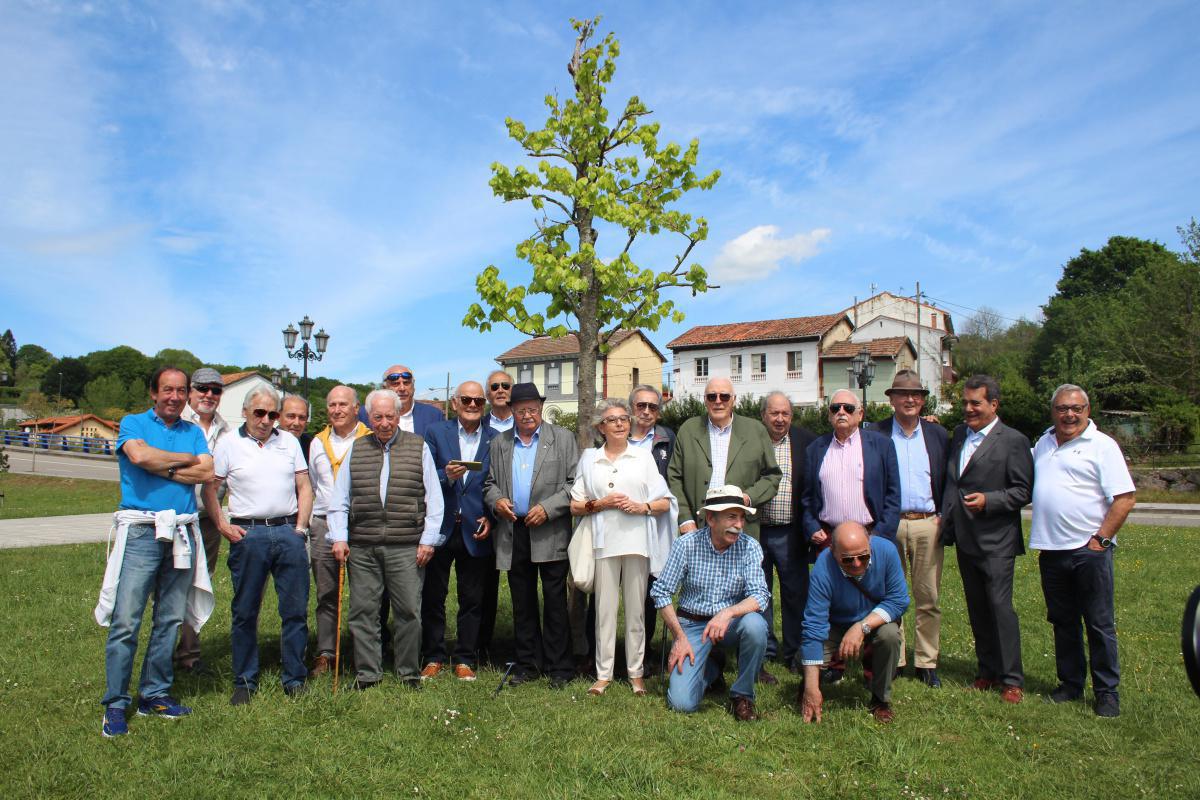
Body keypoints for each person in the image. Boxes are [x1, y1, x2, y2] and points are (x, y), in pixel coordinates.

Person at [95, 367, 214, 737]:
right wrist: (181, 464)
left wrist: (158, 463)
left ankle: (154, 694)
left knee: (169, 619)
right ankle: (116, 702)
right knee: (127, 619)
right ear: (153, 392)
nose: (175, 397)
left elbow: (206, 471)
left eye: (181, 391)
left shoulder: (193, 431)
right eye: (168, 390)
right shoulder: (133, 423)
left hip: (180, 533)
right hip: (143, 532)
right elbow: (138, 456)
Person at [327, 390, 445, 689]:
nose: (383, 423)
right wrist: (340, 537)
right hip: (363, 544)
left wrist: (428, 540)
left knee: (408, 612)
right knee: (363, 612)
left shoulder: (417, 447)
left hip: (406, 545)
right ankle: (368, 674)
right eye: (377, 417)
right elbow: (339, 499)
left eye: (389, 416)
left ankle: (408, 672)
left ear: (398, 416)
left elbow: (435, 499)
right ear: (369, 417)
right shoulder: (357, 448)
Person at [1030, 384, 1135, 717]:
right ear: (1053, 412)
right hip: (1052, 550)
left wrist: (1101, 540)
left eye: (1076, 408)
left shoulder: (1103, 446)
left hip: (1088, 551)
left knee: (1099, 623)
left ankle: (1107, 692)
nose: (1069, 415)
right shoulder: (1043, 444)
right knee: (1063, 622)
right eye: (1062, 408)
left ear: (1088, 410)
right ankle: (1070, 685)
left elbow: (1125, 498)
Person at [205, 387, 313, 705]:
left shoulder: (289, 442)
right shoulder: (229, 444)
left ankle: (294, 678)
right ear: (246, 412)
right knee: (245, 611)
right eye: (259, 413)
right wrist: (222, 525)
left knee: (294, 611)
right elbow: (211, 490)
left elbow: (304, 486)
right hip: (248, 534)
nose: (266, 420)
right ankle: (245, 681)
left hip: (287, 533)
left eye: (273, 414)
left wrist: (301, 528)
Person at [570, 398, 677, 696]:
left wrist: (640, 506)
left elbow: (663, 502)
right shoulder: (589, 458)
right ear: (601, 427)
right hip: (603, 541)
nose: (619, 423)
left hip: (636, 541)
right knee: (604, 611)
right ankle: (603, 674)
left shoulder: (642, 458)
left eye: (623, 419)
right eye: (612, 419)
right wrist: (600, 504)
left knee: (636, 612)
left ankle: (636, 674)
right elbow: (575, 505)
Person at [942, 374, 1034, 704]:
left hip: (997, 540)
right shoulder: (959, 436)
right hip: (966, 538)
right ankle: (986, 671)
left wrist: (989, 501)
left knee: (1000, 608)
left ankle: (1012, 679)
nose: (968, 409)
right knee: (978, 609)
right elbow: (954, 482)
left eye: (975, 403)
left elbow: (1023, 491)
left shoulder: (1013, 441)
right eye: (964, 403)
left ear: (993, 405)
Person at [483, 382, 580, 688]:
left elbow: (574, 484)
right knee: (522, 602)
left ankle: (559, 667)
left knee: (554, 601)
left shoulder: (563, 439)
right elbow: (489, 483)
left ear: (541, 409)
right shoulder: (500, 443)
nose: (527, 415)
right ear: (510, 411)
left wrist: (548, 508)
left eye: (533, 410)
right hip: (514, 531)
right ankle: (527, 664)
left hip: (549, 529)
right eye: (521, 410)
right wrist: (497, 501)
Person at [650, 485, 770, 721]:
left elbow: (760, 595)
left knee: (756, 626)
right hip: (693, 625)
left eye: (742, 517)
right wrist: (679, 638)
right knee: (682, 704)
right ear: (711, 518)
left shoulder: (750, 547)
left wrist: (728, 613)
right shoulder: (687, 545)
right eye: (732, 517)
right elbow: (661, 592)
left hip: (731, 624)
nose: (739, 525)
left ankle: (742, 696)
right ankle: (712, 670)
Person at [869, 370, 949, 687]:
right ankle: (897, 658)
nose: (911, 399)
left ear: (923, 399)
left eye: (916, 394)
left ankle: (927, 662)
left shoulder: (937, 435)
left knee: (928, 596)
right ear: (891, 399)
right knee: (891, 593)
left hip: (928, 522)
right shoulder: (876, 434)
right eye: (904, 394)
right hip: (889, 523)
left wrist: (944, 513)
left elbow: (950, 477)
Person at [420, 381, 498, 681]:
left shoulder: (495, 439)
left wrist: (491, 518)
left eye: (479, 401)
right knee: (433, 596)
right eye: (467, 399)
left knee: (473, 598)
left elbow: (496, 483)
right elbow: (424, 477)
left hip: (476, 528)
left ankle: (465, 656)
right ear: (455, 403)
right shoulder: (436, 433)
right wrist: (445, 476)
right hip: (440, 527)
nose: (473, 405)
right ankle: (434, 655)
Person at [799, 522, 910, 723]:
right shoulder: (823, 566)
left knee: (890, 636)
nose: (857, 564)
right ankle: (811, 688)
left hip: (874, 622)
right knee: (806, 656)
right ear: (833, 552)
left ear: (870, 543)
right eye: (848, 559)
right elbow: (814, 624)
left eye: (864, 556)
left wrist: (861, 627)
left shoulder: (887, 551)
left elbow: (899, 600)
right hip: (834, 625)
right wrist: (811, 688)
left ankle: (880, 700)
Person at [305, 385, 371, 677]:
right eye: (332, 404)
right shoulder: (317, 442)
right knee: (327, 593)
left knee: (365, 594)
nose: (337, 410)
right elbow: (311, 484)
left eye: (343, 404)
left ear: (356, 408)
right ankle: (326, 652)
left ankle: (364, 653)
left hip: (361, 525)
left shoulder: (370, 440)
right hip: (323, 523)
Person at [667, 377, 781, 538]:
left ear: (734, 400)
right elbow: (674, 478)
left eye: (724, 396)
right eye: (712, 397)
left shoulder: (756, 430)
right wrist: (685, 519)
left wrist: (749, 497)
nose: (718, 401)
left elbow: (772, 476)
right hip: (697, 527)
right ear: (705, 400)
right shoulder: (688, 430)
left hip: (741, 527)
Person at [174, 366, 231, 676]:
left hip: (208, 520)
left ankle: (189, 655)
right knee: (170, 585)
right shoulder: (175, 422)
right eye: (202, 389)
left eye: (215, 390)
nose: (208, 395)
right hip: (174, 517)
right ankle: (163, 654)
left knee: (199, 585)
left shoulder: (226, 431)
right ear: (190, 392)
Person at [758, 391, 817, 677]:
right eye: (774, 413)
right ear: (763, 415)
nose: (780, 419)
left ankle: (794, 650)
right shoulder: (752, 440)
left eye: (785, 414)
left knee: (795, 594)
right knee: (760, 593)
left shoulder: (806, 441)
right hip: (756, 531)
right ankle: (766, 648)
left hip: (790, 532)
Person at [802, 389, 901, 547]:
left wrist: (880, 535)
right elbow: (807, 497)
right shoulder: (815, 449)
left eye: (848, 408)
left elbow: (893, 495)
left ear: (860, 414)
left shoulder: (882, 446)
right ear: (829, 415)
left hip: (870, 537)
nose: (841, 412)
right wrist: (812, 527)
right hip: (829, 539)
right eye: (835, 408)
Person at [628, 383, 676, 664]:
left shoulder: (667, 439)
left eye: (652, 407)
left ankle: (642, 654)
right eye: (640, 405)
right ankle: (598, 653)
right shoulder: (617, 434)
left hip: (652, 522)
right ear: (631, 408)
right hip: (618, 521)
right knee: (608, 590)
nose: (646, 411)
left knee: (648, 589)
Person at [477, 370, 515, 663]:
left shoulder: (527, 422)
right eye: (495, 386)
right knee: (485, 584)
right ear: (488, 393)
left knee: (522, 583)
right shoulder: (479, 425)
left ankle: (523, 643)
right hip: (487, 514)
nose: (500, 390)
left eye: (506, 385)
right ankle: (482, 644)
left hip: (521, 518)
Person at [359, 364, 445, 434]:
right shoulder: (364, 413)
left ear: (413, 386)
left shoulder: (433, 415)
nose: (402, 388)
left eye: (406, 383)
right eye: (396, 384)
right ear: (384, 388)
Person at [280, 395, 314, 466]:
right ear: (278, 416)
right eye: (291, 416)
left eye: (302, 417)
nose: (296, 423)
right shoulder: (265, 443)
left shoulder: (312, 446)